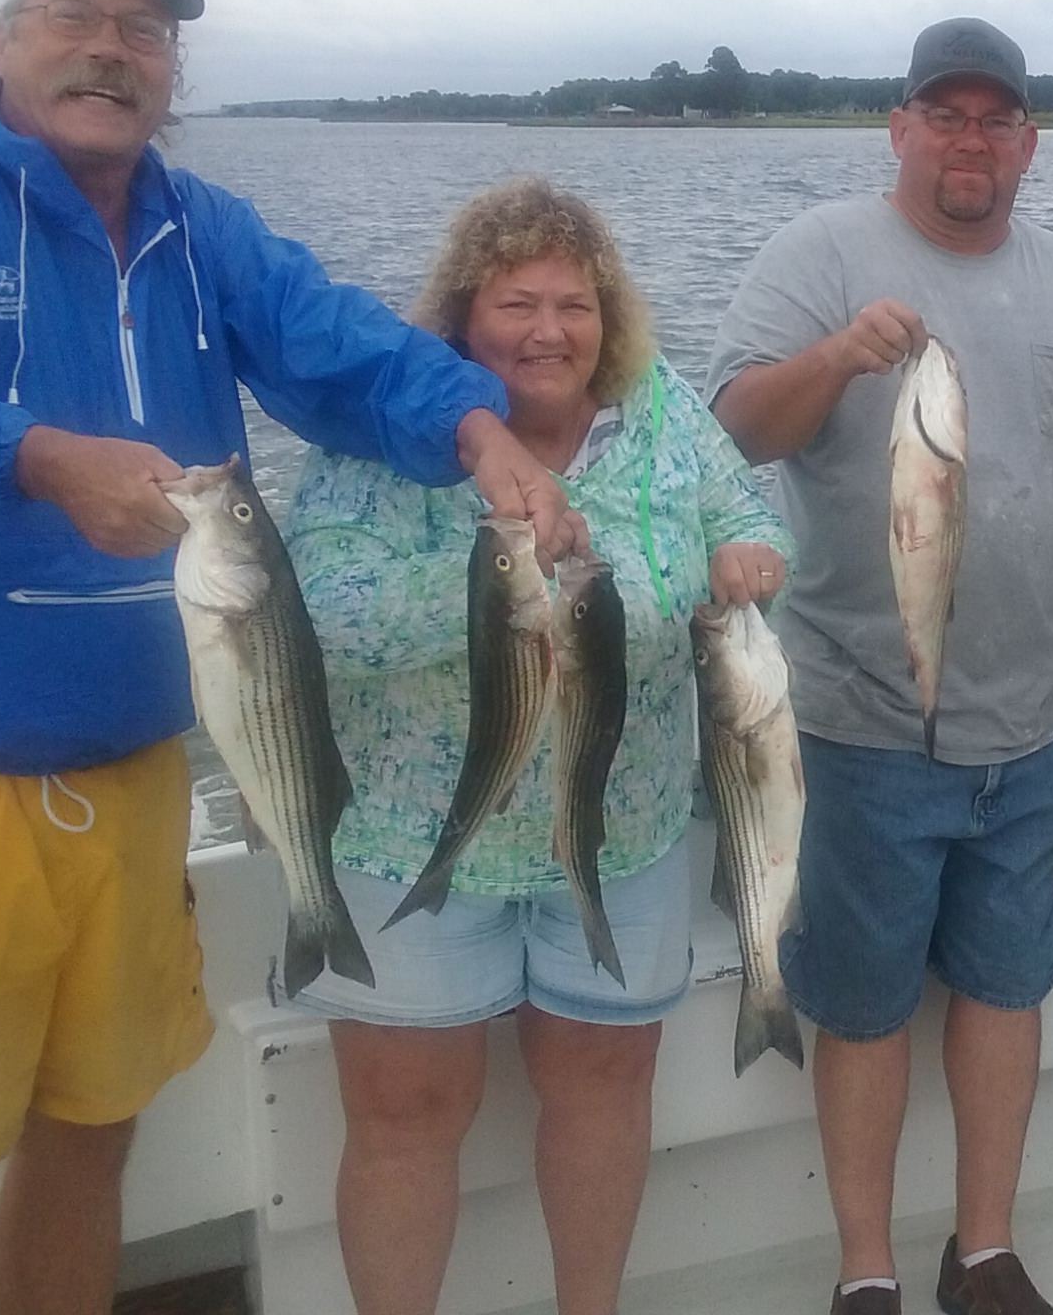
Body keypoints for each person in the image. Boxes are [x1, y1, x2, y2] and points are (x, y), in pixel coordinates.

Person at [0, 0, 580, 1315]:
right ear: (3, 41)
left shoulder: (202, 230)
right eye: (74, 16)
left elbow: (342, 346)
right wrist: (30, 455)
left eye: (146, 33)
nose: (110, 50)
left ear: (173, 74)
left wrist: (478, 432)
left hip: (134, 767)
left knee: (93, 1144)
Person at [704, 16, 1053, 1315]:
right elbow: (734, 422)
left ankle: (984, 1253)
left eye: (995, 118)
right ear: (898, 129)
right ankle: (868, 1270)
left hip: (1029, 723)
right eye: (943, 115)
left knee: (1006, 990)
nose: (970, 139)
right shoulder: (819, 253)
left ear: (1030, 142)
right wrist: (836, 356)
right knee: (870, 1006)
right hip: (854, 719)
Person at [281, 177, 790, 1315]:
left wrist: (750, 558)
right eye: (516, 303)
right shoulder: (382, 428)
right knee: (407, 1116)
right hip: (408, 839)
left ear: (610, 322)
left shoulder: (657, 409)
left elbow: (747, 515)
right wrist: (499, 577)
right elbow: (319, 615)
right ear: (461, 317)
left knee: (607, 1086)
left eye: (574, 304)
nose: (547, 330)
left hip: (625, 829)